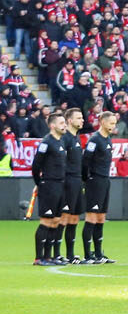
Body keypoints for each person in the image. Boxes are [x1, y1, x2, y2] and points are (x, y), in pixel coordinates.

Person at [81, 111, 118, 264]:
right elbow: (85, 162)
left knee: (101, 217)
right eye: (111, 123)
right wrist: (87, 180)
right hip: (95, 181)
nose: (113, 126)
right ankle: (87, 255)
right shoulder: (94, 140)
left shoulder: (108, 140)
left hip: (105, 181)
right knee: (92, 217)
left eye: (115, 123)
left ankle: (98, 254)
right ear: (102, 122)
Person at [32, 112, 67, 266]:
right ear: (52, 126)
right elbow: (36, 165)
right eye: (61, 123)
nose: (64, 125)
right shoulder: (46, 142)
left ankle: (49, 256)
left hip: (60, 185)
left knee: (56, 221)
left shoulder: (60, 142)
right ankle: (39, 258)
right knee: (46, 221)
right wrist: (40, 183)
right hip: (49, 185)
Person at [60, 108, 85, 263]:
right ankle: (56, 253)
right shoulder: (65, 138)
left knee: (74, 219)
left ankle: (70, 254)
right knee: (63, 218)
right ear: (69, 120)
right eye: (78, 118)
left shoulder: (77, 138)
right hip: (67, 182)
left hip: (77, 181)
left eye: (82, 117)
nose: (82, 120)